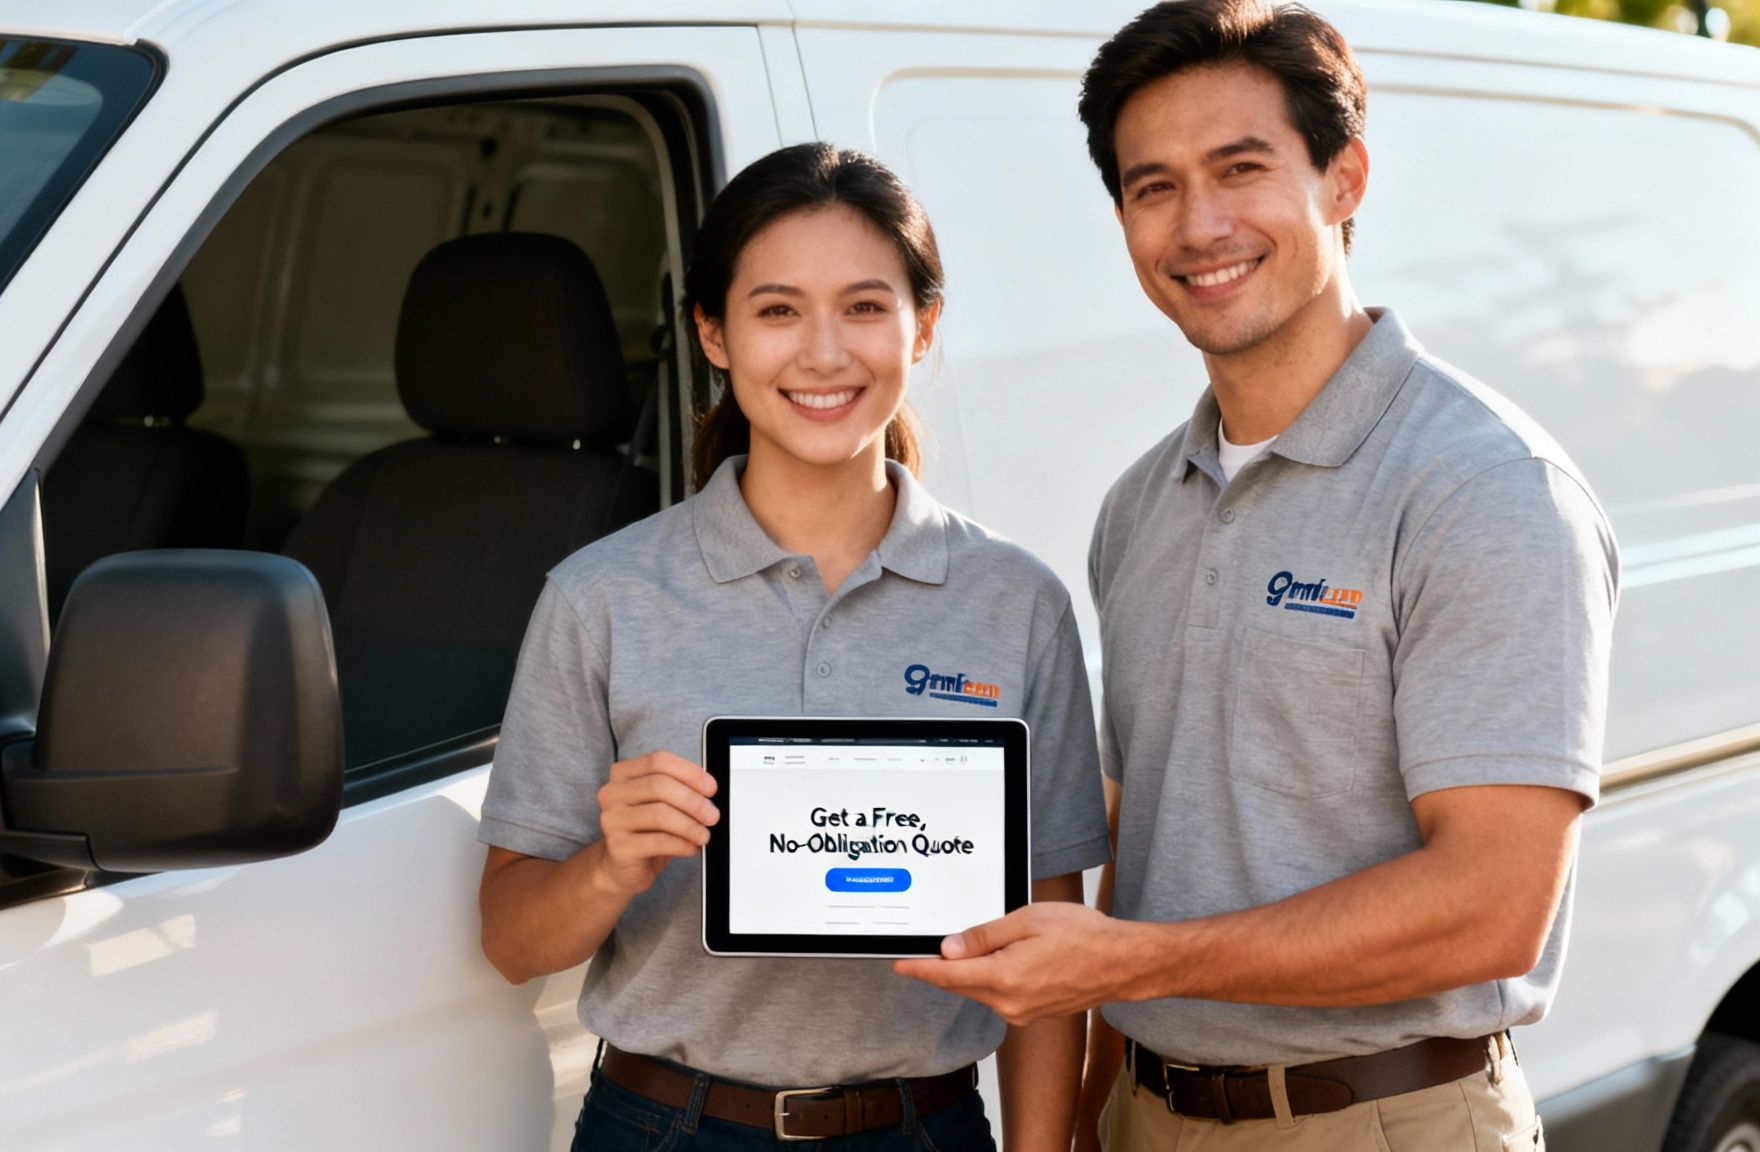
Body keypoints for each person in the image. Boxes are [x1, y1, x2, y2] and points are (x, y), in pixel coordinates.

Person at [894, 2, 1619, 1149]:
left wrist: (1137, 962)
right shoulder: (1140, 506)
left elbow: (1492, 906)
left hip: (1384, 1118)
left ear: (1344, 179)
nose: (1198, 225)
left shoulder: (1481, 488)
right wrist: (1090, 1109)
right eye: (1152, 188)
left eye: (1239, 169)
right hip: (1149, 1114)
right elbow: (1140, 842)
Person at [475, 142, 1112, 1151]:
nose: (823, 354)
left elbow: (1048, 956)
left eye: (864, 307)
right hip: (664, 1126)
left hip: (926, 1127)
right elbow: (511, 943)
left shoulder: (1014, 602)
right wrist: (612, 865)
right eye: (776, 310)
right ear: (713, 334)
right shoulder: (602, 597)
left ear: (923, 327)